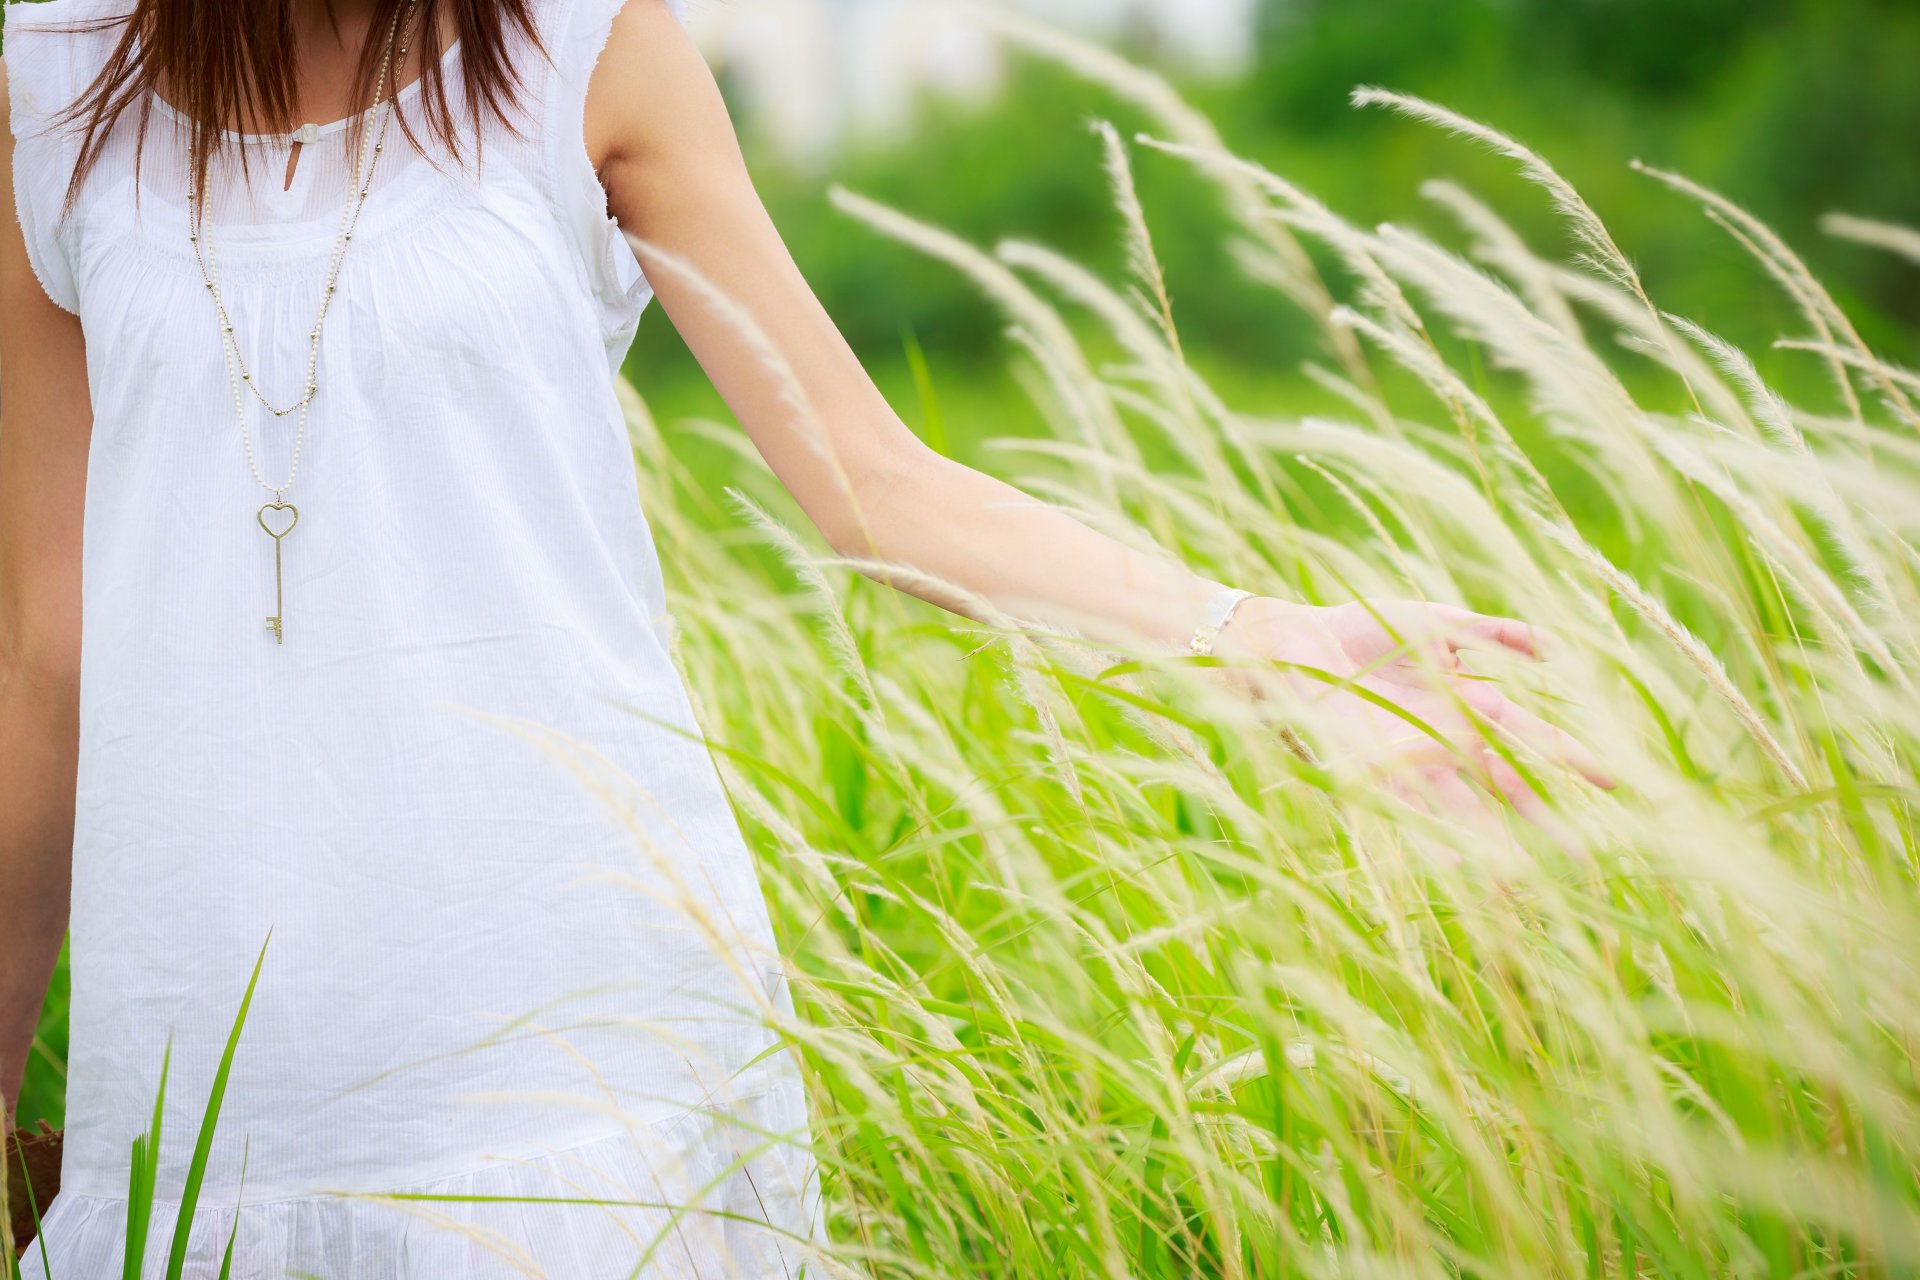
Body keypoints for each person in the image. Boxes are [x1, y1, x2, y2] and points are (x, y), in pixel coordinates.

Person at [0, 0, 1610, 1272]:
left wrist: (1272, 644)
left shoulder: (583, 45)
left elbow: (873, 487)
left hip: (572, 1028)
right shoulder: (49, 85)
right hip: (213, 1067)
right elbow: (48, 654)